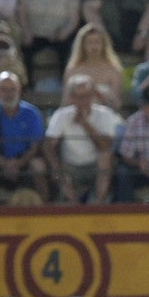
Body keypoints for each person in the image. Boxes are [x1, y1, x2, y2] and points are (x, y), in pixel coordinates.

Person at [44, 73, 121, 202]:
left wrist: (86, 124)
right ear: (71, 97)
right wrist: (55, 166)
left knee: (105, 157)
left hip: (95, 166)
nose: (83, 101)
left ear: (93, 96)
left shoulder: (105, 114)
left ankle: (98, 203)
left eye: (86, 96)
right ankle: (74, 204)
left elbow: (105, 146)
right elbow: (48, 146)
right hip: (70, 166)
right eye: (78, 97)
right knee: (59, 170)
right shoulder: (61, 115)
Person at [0, 70, 48, 201]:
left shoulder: (31, 113)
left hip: (25, 161)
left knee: (38, 166)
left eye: (12, 89)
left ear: (19, 90)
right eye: (4, 89)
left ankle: (43, 206)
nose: (8, 94)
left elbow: (35, 145)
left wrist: (19, 163)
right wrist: (4, 163)